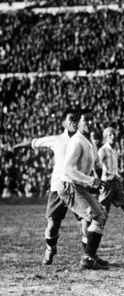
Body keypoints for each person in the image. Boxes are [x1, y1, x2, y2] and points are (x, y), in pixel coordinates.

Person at [11, 110, 79, 265]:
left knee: (86, 222)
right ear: (64, 123)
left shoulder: (82, 141)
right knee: (53, 224)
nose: (74, 122)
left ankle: (89, 255)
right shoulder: (56, 140)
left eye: (76, 120)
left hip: (77, 187)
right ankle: (50, 249)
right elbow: (34, 142)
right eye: (71, 119)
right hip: (58, 187)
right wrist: (17, 146)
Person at [62, 109, 109, 269]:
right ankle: (88, 257)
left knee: (100, 213)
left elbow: (95, 164)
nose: (90, 123)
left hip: (79, 185)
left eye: (91, 120)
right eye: (86, 120)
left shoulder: (87, 142)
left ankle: (91, 255)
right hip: (69, 185)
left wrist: (101, 177)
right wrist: (90, 180)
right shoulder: (76, 141)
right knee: (96, 215)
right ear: (77, 123)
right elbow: (68, 169)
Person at [97, 127, 124, 235]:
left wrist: (117, 173)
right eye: (110, 135)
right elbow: (97, 164)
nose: (113, 136)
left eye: (113, 134)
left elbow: (113, 167)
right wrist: (105, 173)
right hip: (107, 183)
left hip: (116, 182)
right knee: (104, 210)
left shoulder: (115, 150)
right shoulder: (102, 150)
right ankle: (96, 231)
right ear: (105, 137)